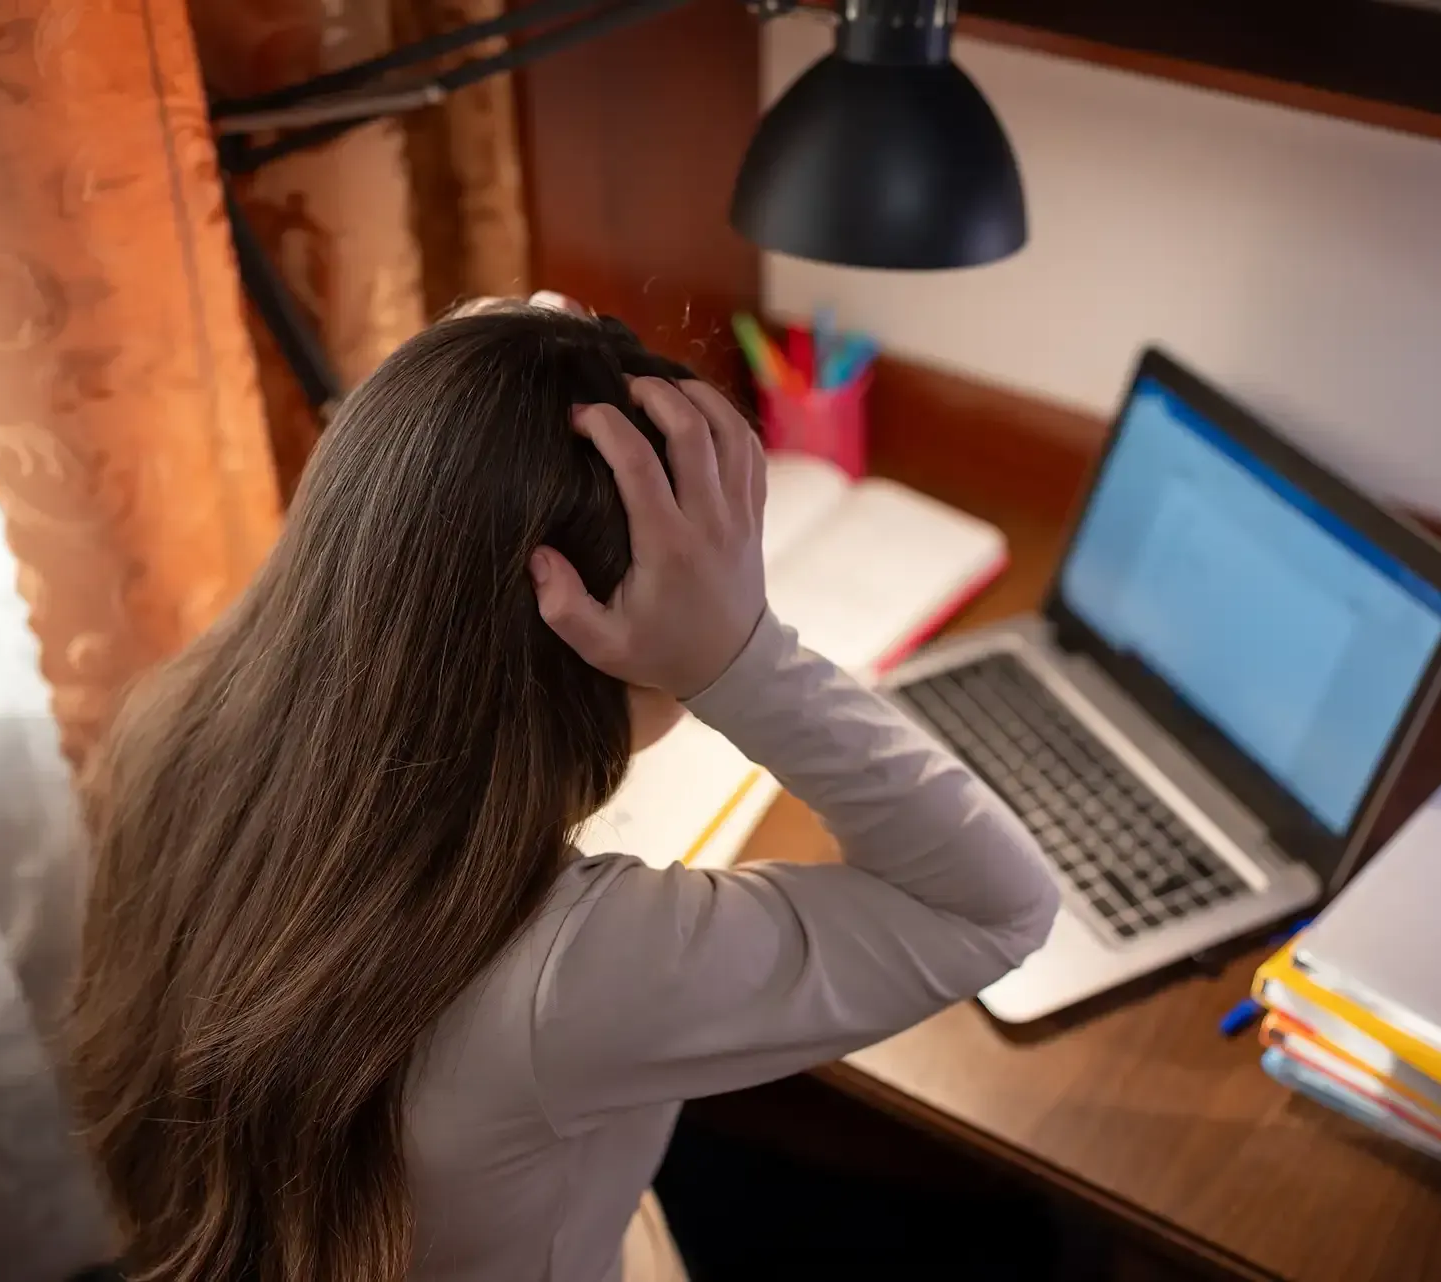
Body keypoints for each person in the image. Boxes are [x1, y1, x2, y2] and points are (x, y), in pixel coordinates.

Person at [62, 298, 1058, 1282]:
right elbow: (996, 907)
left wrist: (471, 398)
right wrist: (738, 658)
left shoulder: (177, 726)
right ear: (599, 646)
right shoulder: (561, 970)